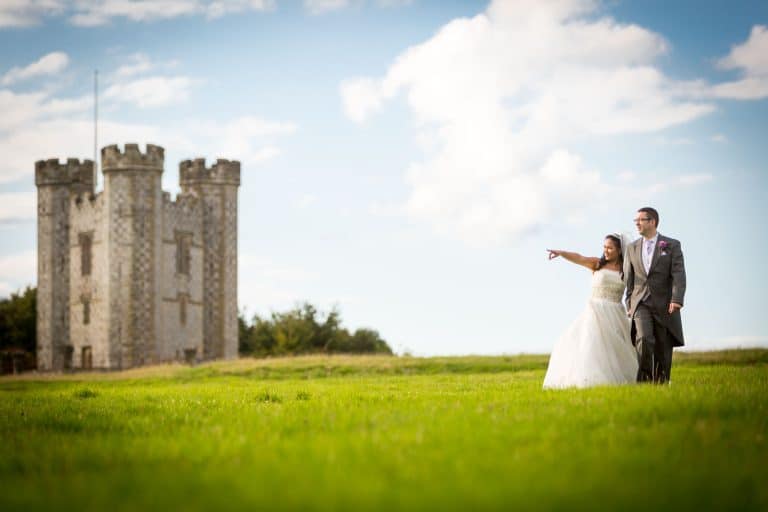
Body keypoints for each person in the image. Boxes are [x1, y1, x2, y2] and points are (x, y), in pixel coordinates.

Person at [543, 234, 638, 389]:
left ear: (620, 250)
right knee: (590, 345)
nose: (606, 250)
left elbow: (634, 291)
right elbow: (579, 258)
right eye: (604, 247)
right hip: (595, 312)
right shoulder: (597, 264)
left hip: (616, 313)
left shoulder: (626, 269)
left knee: (617, 349)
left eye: (610, 248)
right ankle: (592, 381)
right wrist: (561, 253)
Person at [624, 207, 686, 384]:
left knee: (662, 346)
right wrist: (629, 302)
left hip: (665, 304)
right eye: (635, 220)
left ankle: (661, 383)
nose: (637, 223)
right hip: (640, 303)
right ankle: (643, 382)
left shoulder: (672, 245)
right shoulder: (631, 248)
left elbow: (678, 274)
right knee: (643, 338)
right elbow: (629, 276)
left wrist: (676, 299)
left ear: (652, 222)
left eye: (641, 220)